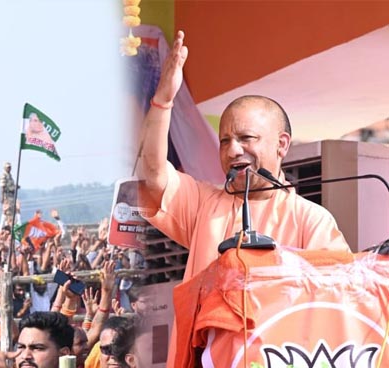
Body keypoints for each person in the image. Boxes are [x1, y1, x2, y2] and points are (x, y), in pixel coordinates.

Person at [138, 30, 350, 282]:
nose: (233, 151)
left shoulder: (310, 220)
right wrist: (162, 100)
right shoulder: (204, 205)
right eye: (224, 141)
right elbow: (152, 173)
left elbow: (337, 291)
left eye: (246, 138)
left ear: (282, 145)